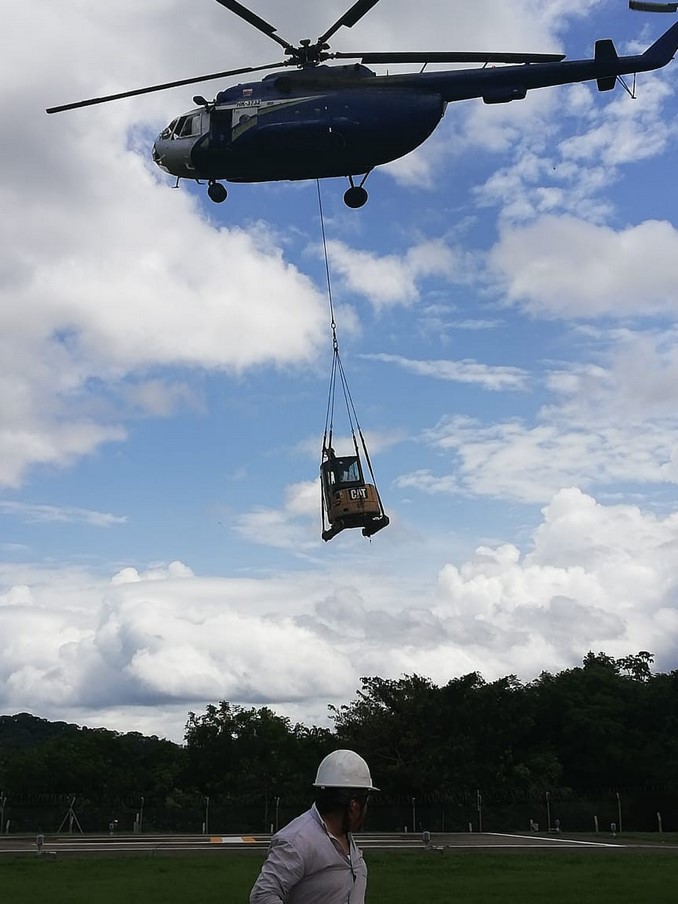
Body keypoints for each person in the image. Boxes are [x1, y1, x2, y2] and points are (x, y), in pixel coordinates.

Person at [249, 749, 377, 904]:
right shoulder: (297, 841)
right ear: (354, 805)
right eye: (366, 802)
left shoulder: (343, 835)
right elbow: (262, 896)